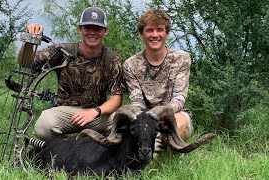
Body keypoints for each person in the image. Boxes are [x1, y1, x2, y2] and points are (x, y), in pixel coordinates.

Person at [18, 7, 123, 141]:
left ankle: (98, 146)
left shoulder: (112, 59)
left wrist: (95, 112)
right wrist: (29, 38)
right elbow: (25, 62)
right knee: (43, 125)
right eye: (87, 28)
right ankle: (64, 147)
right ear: (80, 29)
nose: (92, 33)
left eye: (97, 29)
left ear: (105, 31)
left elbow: (116, 99)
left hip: (97, 114)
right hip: (66, 113)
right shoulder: (62, 51)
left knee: (124, 122)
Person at [123, 9, 193, 158]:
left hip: (173, 114)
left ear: (167, 33)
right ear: (142, 34)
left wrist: (160, 114)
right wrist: (148, 120)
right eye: (149, 30)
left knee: (179, 124)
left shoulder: (182, 58)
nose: (155, 35)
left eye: (160, 30)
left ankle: (174, 156)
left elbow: (179, 97)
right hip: (144, 117)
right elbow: (137, 101)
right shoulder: (130, 64)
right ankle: (145, 155)